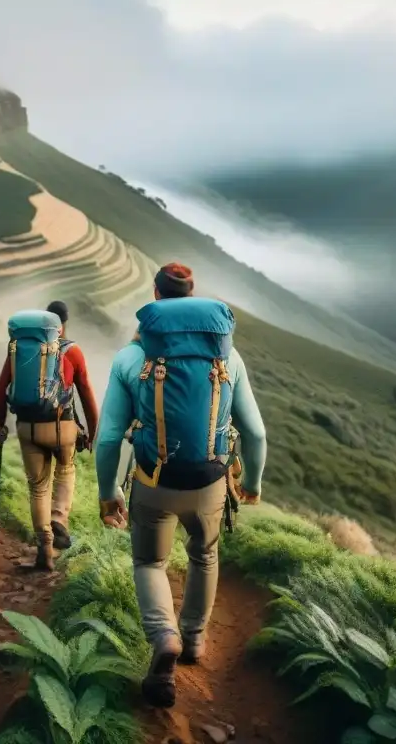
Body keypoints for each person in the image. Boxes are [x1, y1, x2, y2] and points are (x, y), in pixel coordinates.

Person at [94, 263, 266, 708]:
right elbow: (257, 433)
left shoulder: (131, 358)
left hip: (153, 481)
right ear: (192, 296)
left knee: (150, 563)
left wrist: (109, 490)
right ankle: (192, 639)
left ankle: (163, 637)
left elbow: (110, 437)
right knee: (204, 555)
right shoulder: (229, 358)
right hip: (210, 482)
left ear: (155, 295)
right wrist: (253, 482)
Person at [0, 300, 100, 568]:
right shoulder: (72, 352)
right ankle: (59, 520)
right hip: (62, 427)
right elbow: (86, 393)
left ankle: (45, 547)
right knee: (66, 469)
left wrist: (0, 424)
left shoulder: (18, 349)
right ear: (63, 325)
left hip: (27, 427)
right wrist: (92, 431)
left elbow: (1, 388)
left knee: (38, 487)